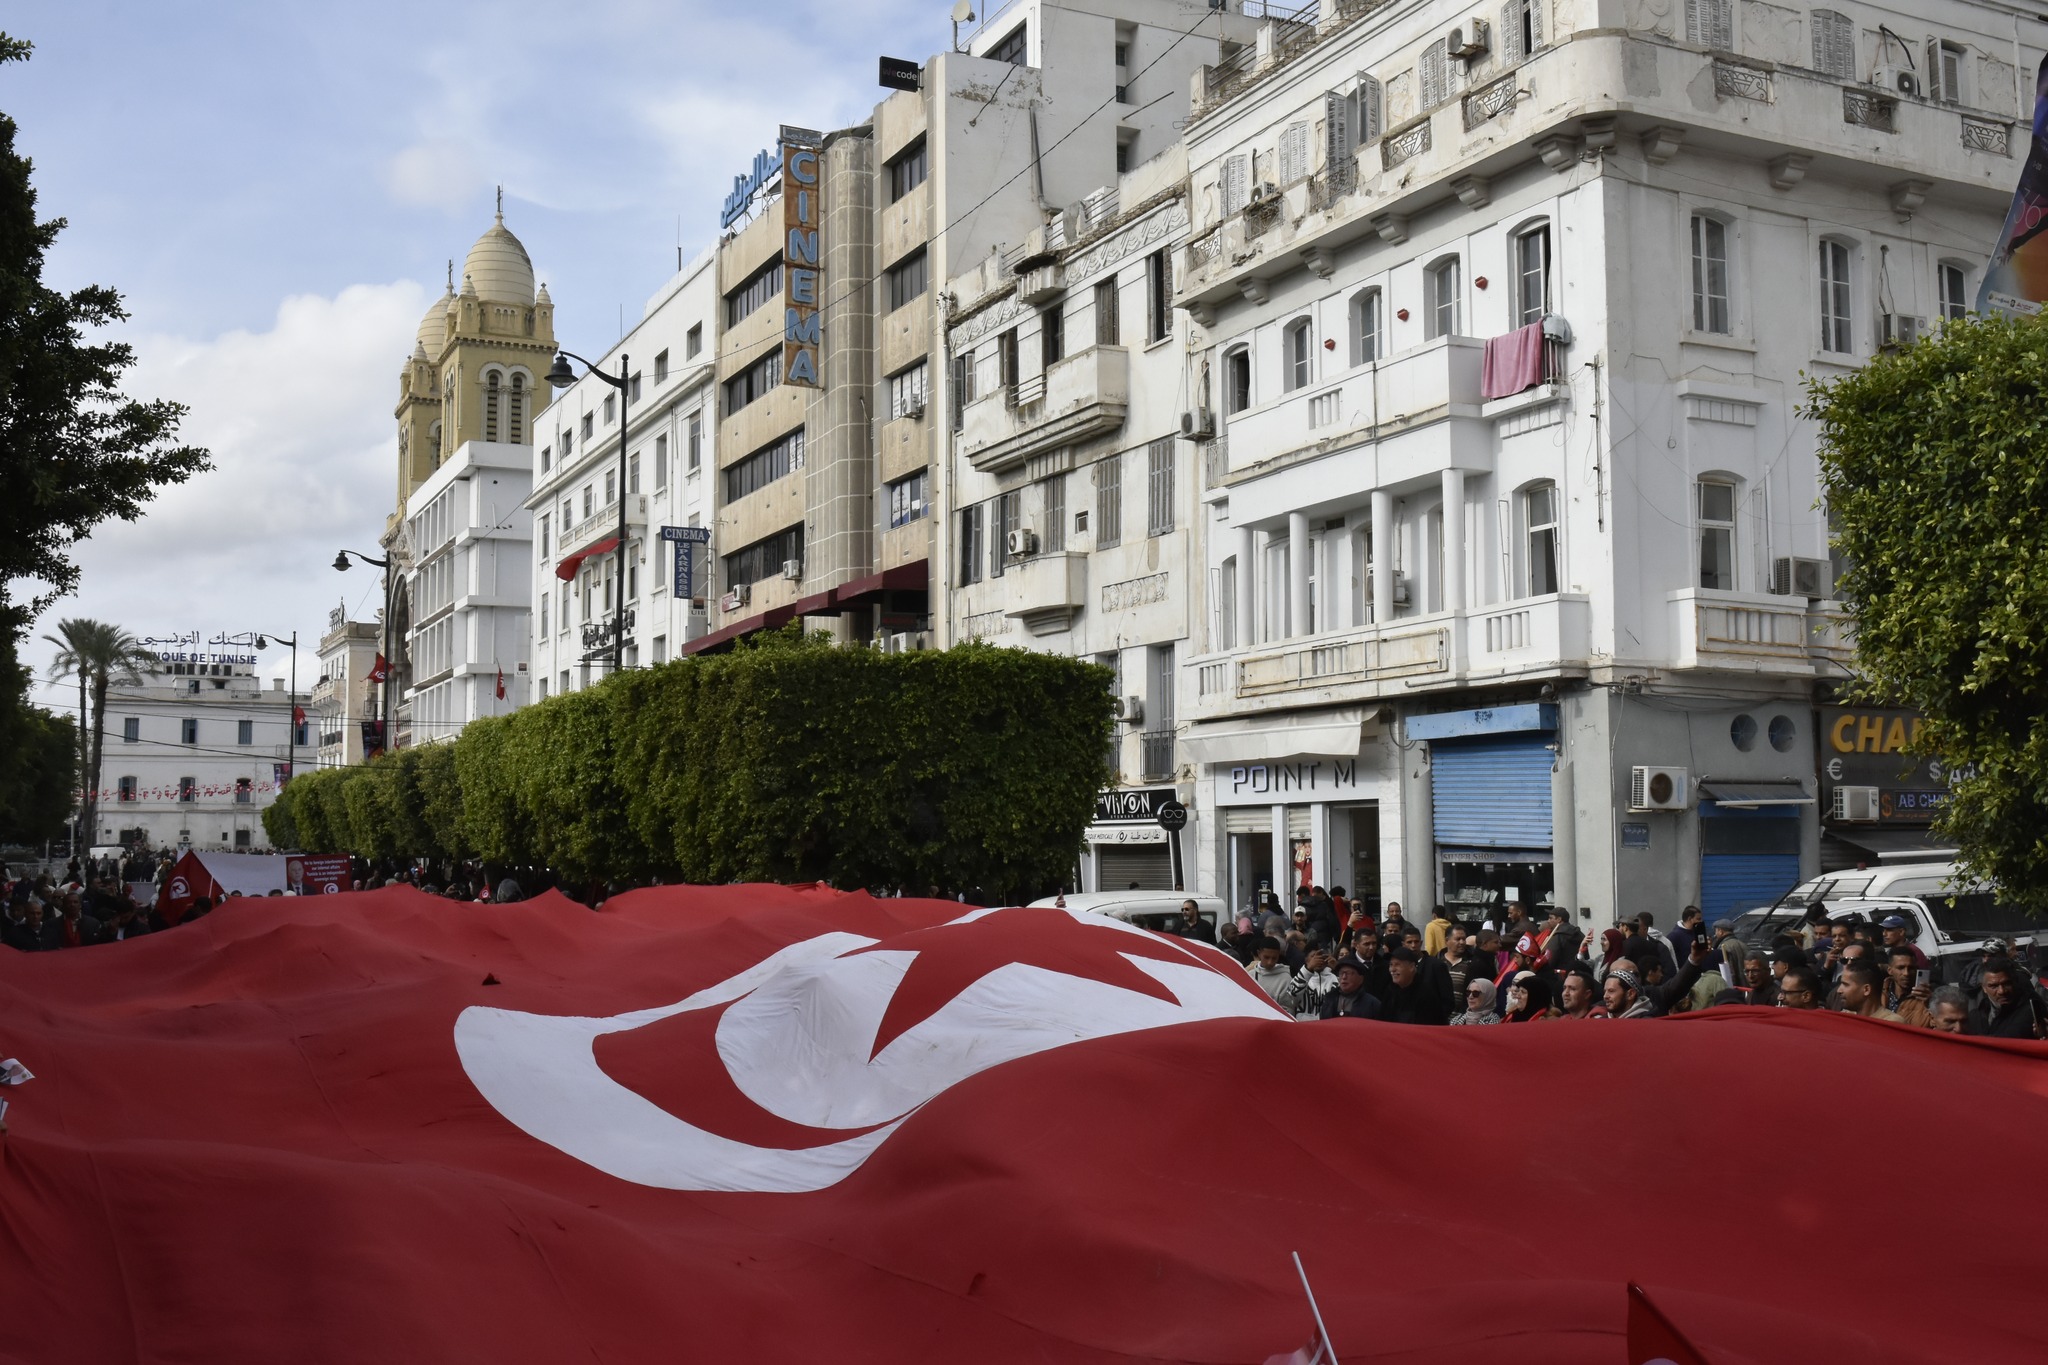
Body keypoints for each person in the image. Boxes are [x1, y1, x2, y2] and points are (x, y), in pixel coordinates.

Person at [1966, 957, 2044, 1039]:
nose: (2002, 991)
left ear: (2015, 982)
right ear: (1984, 988)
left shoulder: (2032, 1010)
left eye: (2007, 984)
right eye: (1993, 986)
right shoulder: (1977, 1015)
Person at [1380, 947, 1450, 1025]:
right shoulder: (1390, 992)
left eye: (1397, 964)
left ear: (1412, 967)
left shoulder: (1426, 995)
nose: (1392, 969)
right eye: (1391, 965)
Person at [1837, 959, 1906, 1023]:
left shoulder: (1891, 1023)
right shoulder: (1846, 1016)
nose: (1839, 990)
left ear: (1866, 989)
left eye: (1846, 985)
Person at [1281, 946, 1337, 1021]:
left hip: (1327, 1025)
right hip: (1304, 1026)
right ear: (1306, 960)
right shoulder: (1301, 977)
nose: (1318, 959)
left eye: (1321, 956)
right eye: (1313, 956)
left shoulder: (1334, 979)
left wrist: (1337, 969)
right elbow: (1291, 999)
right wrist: (1308, 969)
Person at [1883, 946, 1932, 1026]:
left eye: (1911, 968)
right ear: (1890, 970)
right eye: (1901, 968)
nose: (1906, 973)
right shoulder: (1878, 992)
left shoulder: (1925, 999)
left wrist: (1931, 1004)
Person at [1246, 936, 1292, 1006]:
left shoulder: (1285, 979)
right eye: (1266, 957)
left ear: (1278, 956)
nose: (1270, 962)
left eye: (1274, 958)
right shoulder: (1250, 975)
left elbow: (1288, 1008)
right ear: (1259, 953)